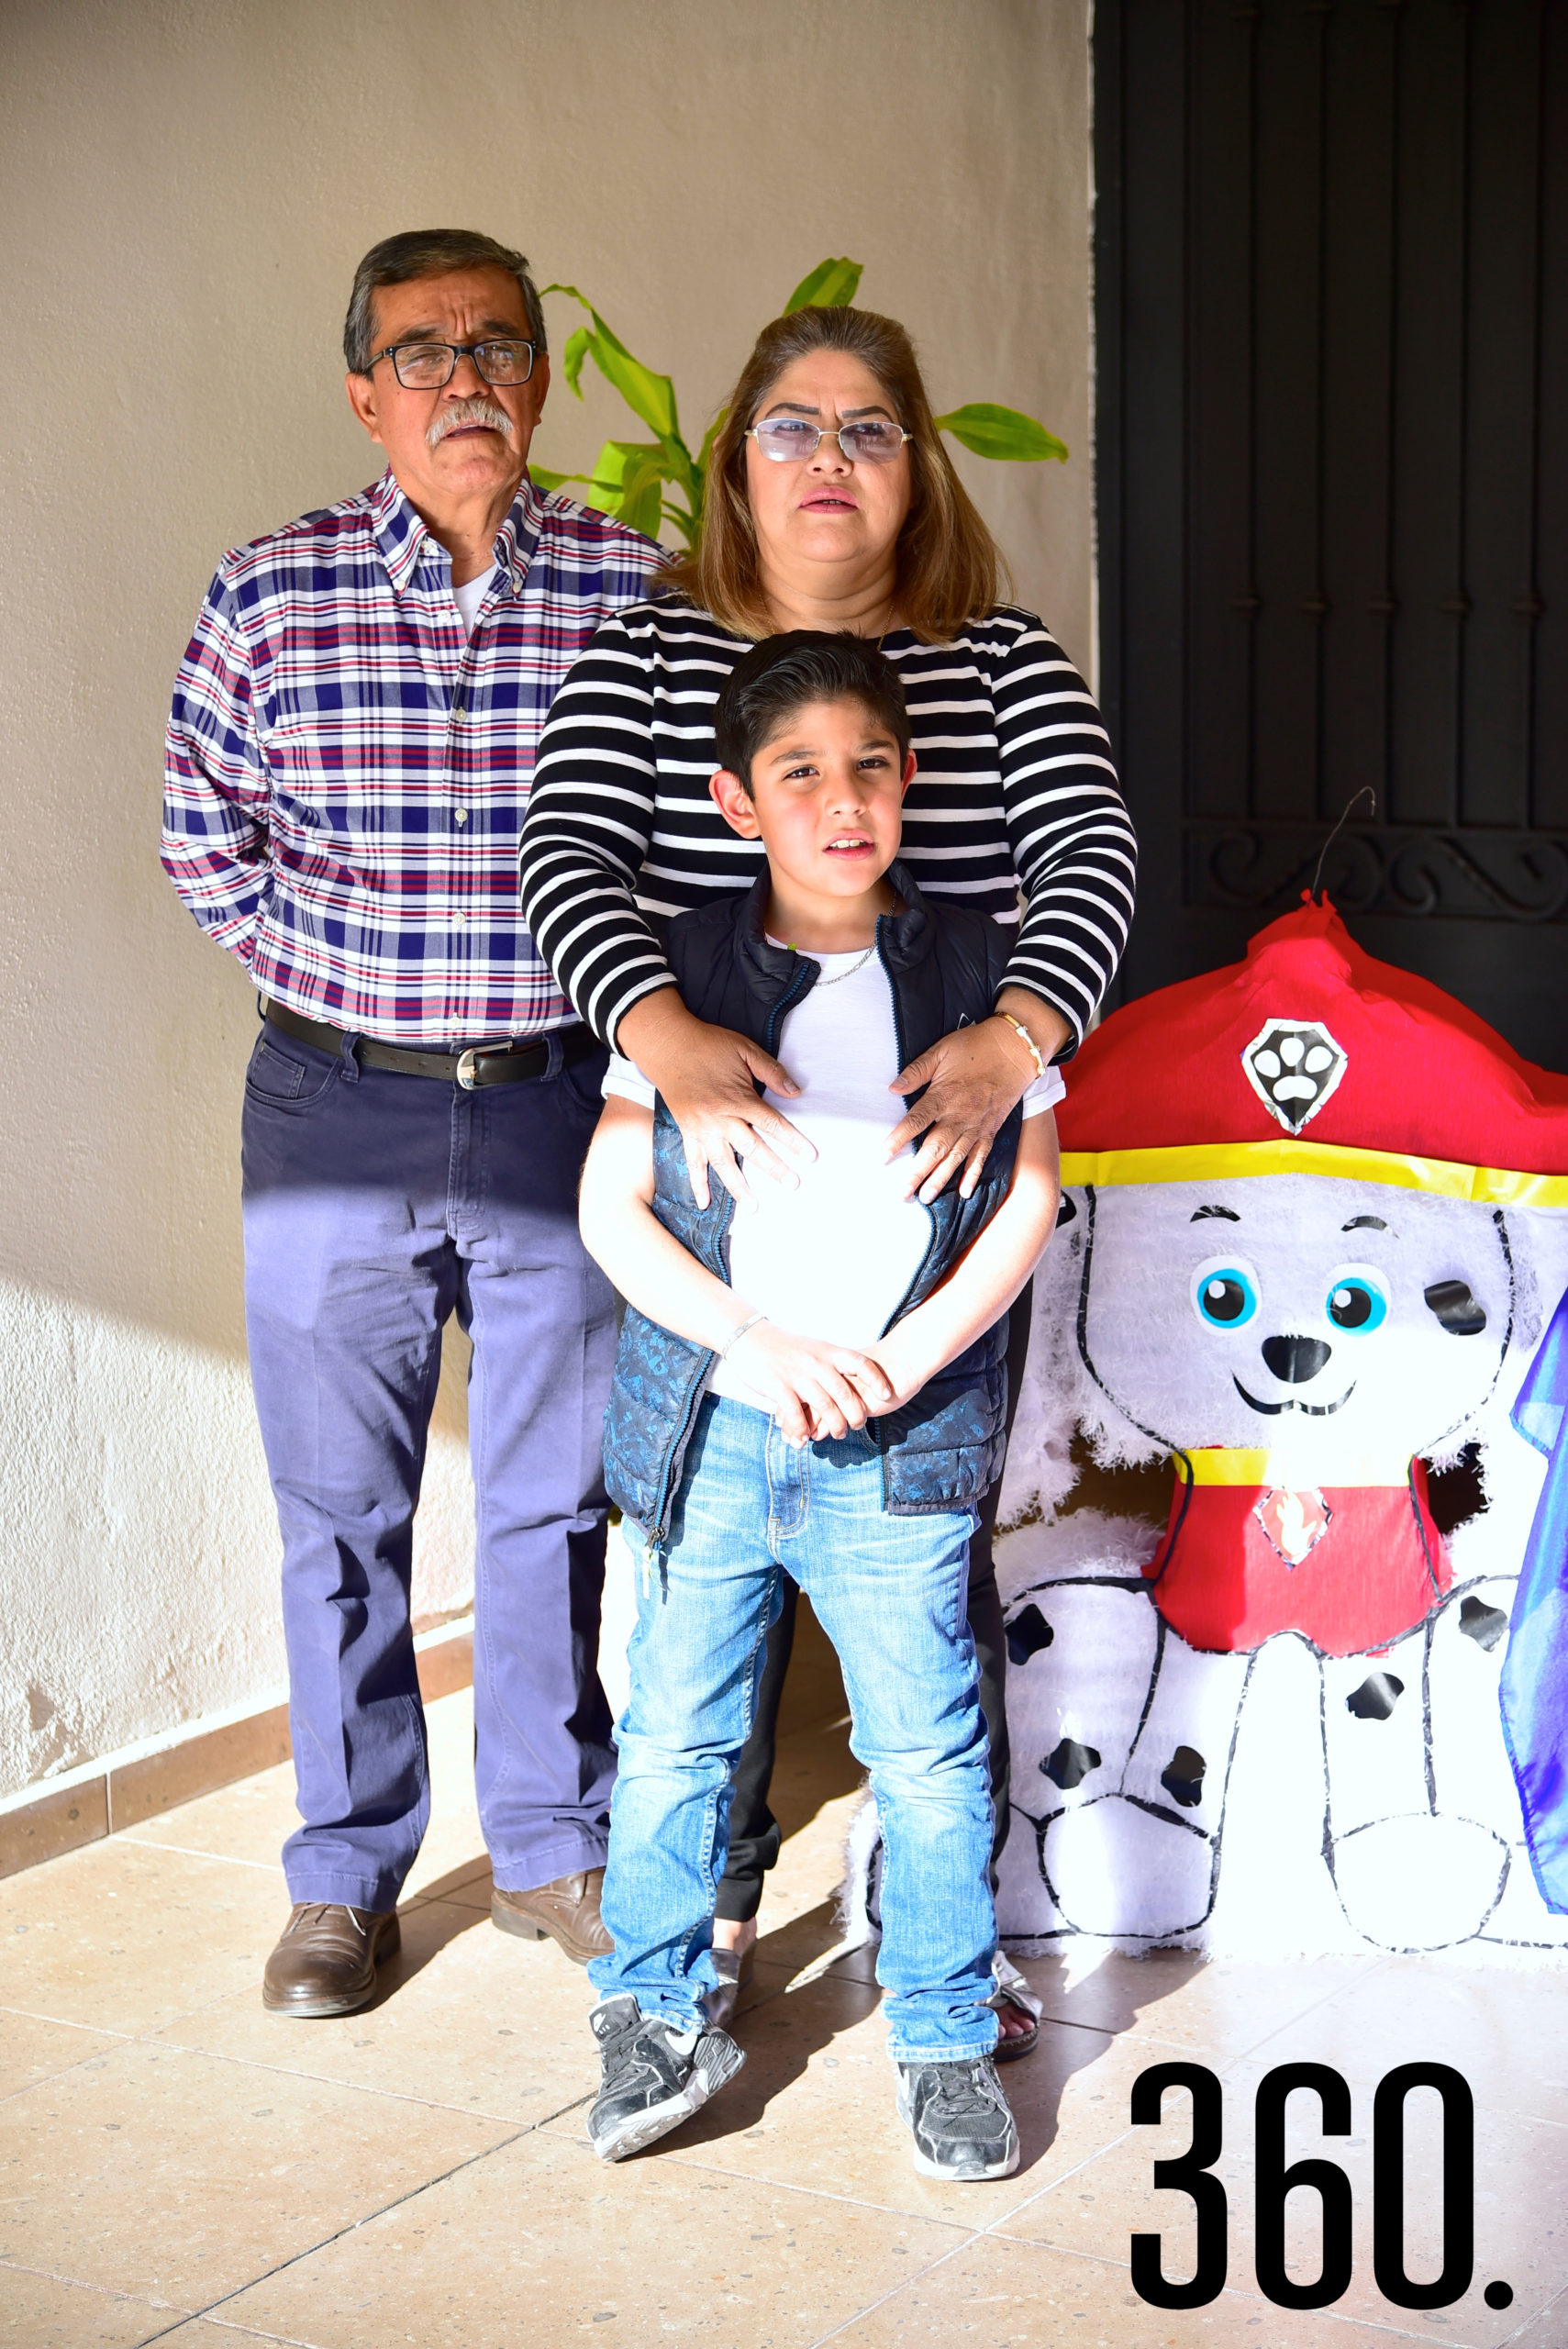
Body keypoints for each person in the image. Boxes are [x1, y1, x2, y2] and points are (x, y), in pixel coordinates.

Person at [519, 301, 1135, 2049]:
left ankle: (945, 1945)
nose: (830, 462)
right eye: (793, 427)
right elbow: (565, 854)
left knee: (921, 1574)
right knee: (696, 1588)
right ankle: (696, 1913)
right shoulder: (648, 659)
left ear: (914, 463)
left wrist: (1020, 1035)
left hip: (938, 1190)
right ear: (737, 460)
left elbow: (1091, 852)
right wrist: (658, 1028)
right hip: (718, 1172)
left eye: (869, 429)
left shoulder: (999, 659)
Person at [161, 229, 668, 2017]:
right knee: (337, 1506)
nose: (468, 374)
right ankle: (346, 1874)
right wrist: (367, 979)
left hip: (556, 1110)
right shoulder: (274, 589)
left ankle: (547, 1842)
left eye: (501, 343)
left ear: (544, 380)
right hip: (334, 1108)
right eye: (424, 348)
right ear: (365, 390)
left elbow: (684, 842)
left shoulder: (631, 585)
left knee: (553, 1501)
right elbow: (200, 832)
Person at [574, 632, 1062, 2174]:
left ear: (908, 783)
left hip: (901, 1444)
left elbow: (1027, 1205)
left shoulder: (979, 973)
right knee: (672, 1739)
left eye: (869, 766)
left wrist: (904, 1366)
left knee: (925, 1751)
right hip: (713, 1432)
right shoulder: (681, 979)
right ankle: (651, 2011)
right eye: (798, 774)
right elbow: (610, 1210)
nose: (840, 800)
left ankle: (938, 2028)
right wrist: (753, 1348)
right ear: (734, 802)